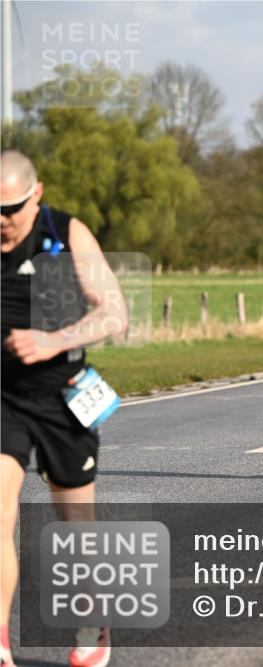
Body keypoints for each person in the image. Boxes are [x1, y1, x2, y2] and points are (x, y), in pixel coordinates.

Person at [2, 150, 129, 667]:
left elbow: (114, 314)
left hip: (62, 394)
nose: (0, 220)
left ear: (37, 194)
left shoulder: (64, 233)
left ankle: (93, 625)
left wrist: (53, 341)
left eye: (10, 208)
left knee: (76, 526)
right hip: (2, 397)